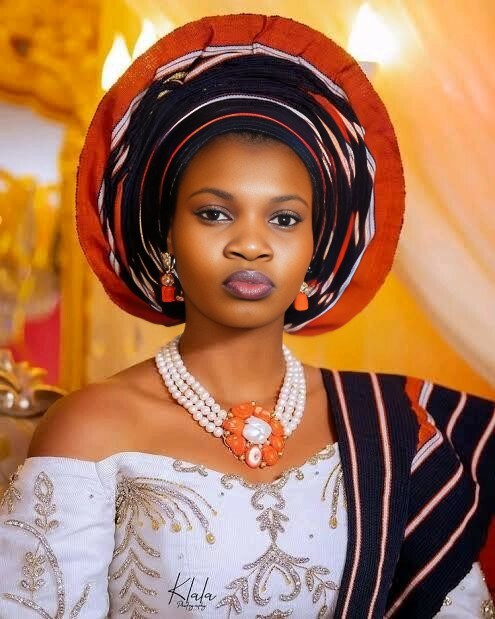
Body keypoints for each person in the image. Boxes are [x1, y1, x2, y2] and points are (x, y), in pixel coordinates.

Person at [0, 14, 493, 619]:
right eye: (214, 213)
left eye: (284, 219)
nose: (251, 244)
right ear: (167, 238)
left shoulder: (394, 427)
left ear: (316, 249)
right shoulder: (91, 429)